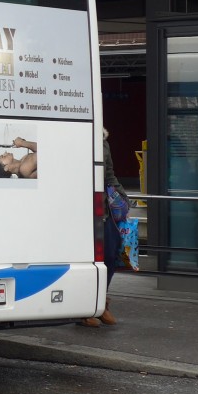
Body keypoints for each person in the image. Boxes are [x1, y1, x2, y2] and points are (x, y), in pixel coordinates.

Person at [82, 127, 127, 327]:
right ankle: (85, 308)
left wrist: (123, 200)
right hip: (81, 210)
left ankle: (101, 302)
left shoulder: (102, 140)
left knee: (110, 254)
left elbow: (109, 175)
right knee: (87, 258)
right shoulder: (74, 137)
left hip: (104, 209)